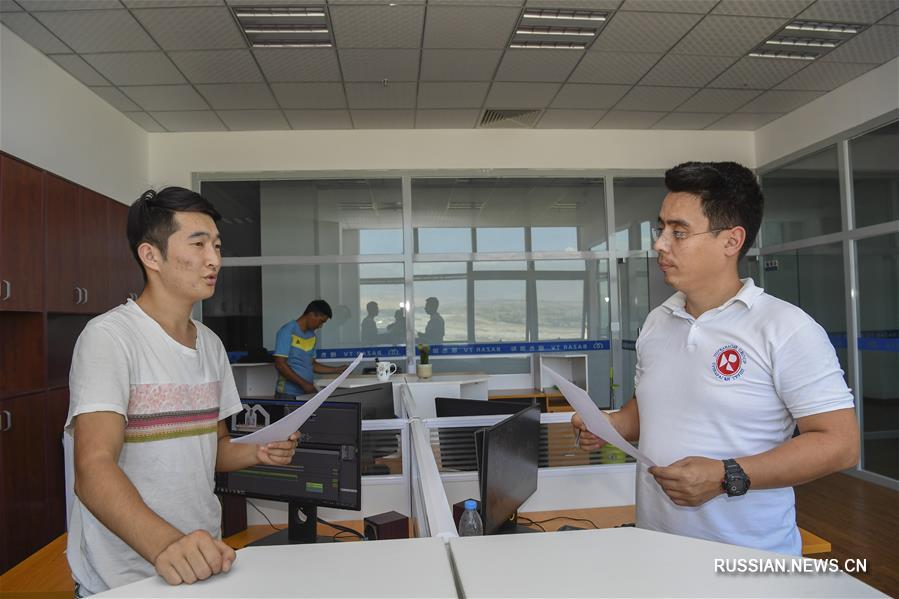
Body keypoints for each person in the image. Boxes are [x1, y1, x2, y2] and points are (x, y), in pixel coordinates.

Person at [572, 162, 859, 555]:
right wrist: (610, 424)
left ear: (731, 241)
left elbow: (840, 444)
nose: (660, 244)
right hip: (656, 546)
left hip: (748, 557)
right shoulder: (658, 322)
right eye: (662, 229)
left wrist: (728, 475)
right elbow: (653, 409)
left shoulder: (785, 327)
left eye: (679, 232)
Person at [66, 187, 300, 596]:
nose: (214, 259)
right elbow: (93, 468)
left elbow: (215, 449)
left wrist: (260, 450)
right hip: (125, 578)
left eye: (217, 245)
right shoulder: (109, 338)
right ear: (151, 256)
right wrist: (166, 545)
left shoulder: (210, 344)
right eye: (198, 244)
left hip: (203, 559)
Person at [273, 300, 349, 397]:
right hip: (287, 393)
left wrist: (337, 370)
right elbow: (280, 365)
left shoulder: (312, 336)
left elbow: (312, 365)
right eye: (321, 321)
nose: (321, 326)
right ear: (312, 314)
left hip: (305, 393)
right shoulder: (287, 331)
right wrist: (304, 384)